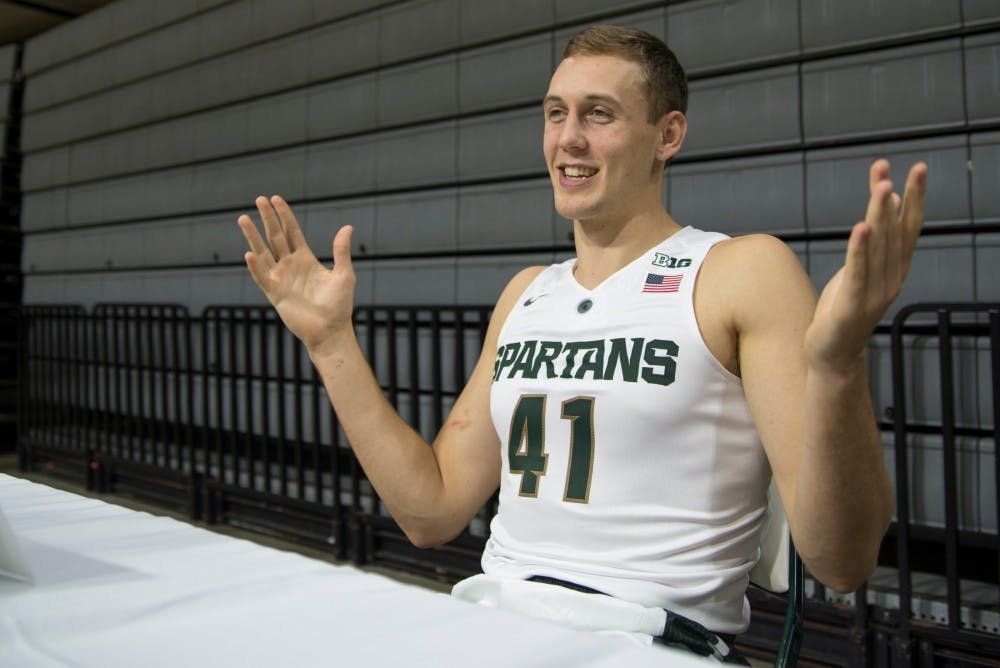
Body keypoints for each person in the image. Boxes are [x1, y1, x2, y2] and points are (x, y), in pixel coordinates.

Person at [237, 25, 926, 662]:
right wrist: (330, 343)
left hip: (646, 639)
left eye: (599, 114)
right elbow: (432, 509)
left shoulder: (739, 272)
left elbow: (842, 561)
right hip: (493, 624)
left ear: (668, 134)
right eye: (555, 113)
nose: (568, 139)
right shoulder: (527, 292)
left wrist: (837, 365)